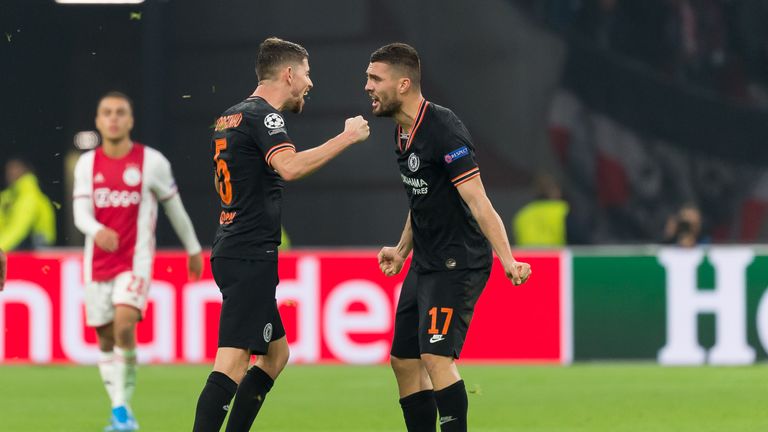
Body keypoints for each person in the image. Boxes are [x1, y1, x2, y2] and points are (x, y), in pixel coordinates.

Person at [192, 37, 369, 432]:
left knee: (275, 355)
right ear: (288, 74)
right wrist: (347, 137)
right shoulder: (265, 117)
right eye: (306, 73)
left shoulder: (229, 117)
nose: (310, 82)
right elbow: (288, 167)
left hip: (234, 247)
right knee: (233, 361)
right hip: (249, 253)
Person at [366, 43, 532, 432]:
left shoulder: (443, 128)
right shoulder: (402, 133)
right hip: (425, 261)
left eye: (375, 78)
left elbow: (478, 200)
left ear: (403, 83)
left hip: (458, 262)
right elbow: (421, 195)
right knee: (404, 362)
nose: (367, 86)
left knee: (436, 358)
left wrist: (507, 258)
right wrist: (402, 249)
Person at [73, 91, 204, 431]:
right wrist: (97, 230)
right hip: (97, 264)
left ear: (130, 121)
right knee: (104, 337)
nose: (113, 118)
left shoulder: (152, 162)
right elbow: (79, 213)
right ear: (98, 121)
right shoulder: (87, 164)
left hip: (135, 261)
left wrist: (192, 249)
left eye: (120, 113)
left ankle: (119, 410)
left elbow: (174, 208)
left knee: (124, 324)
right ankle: (121, 408)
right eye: (107, 113)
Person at [0, 157, 56, 251]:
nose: (10, 173)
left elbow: (18, 229)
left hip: (37, 249)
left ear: (25, 171)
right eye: (8, 169)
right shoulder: (7, 196)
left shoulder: (30, 195)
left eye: (15, 168)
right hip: (13, 246)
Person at [512, 172, 570, 247]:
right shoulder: (564, 210)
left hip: (526, 258)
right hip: (556, 257)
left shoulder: (522, 215)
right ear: (555, 191)